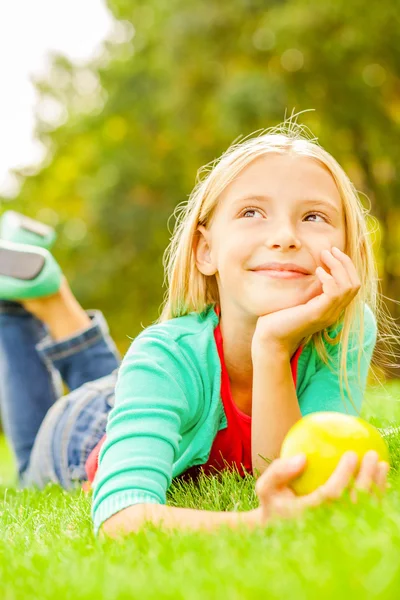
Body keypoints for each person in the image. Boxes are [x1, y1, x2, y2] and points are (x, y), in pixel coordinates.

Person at [0, 121, 391, 539]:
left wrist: (273, 346)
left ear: (347, 249)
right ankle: (15, 308)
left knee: (122, 379)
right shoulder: (165, 356)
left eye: (314, 216)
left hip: (143, 391)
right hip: (83, 437)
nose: (285, 237)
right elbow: (119, 519)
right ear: (206, 250)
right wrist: (259, 524)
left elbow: (287, 471)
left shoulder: (345, 329)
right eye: (251, 212)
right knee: (28, 466)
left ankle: (48, 292)